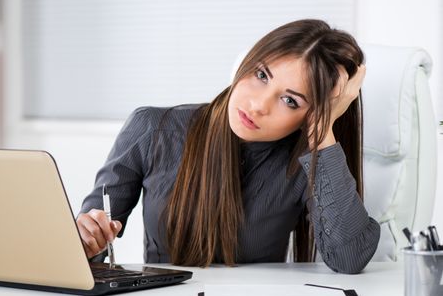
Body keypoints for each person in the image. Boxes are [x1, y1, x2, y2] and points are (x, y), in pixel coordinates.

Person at [76, 19, 380, 274]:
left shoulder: (307, 160)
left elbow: (348, 258)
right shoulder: (152, 128)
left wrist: (323, 130)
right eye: (261, 75)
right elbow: (86, 242)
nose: (259, 105)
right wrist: (86, 240)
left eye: (290, 101)